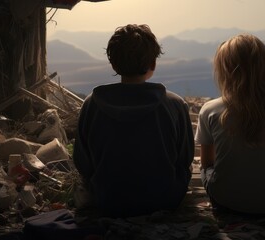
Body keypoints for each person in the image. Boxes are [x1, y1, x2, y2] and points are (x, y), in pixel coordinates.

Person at [73, 24, 194, 218]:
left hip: (107, 200)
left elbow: (82, 162)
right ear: (153, 63)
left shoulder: (92, 104)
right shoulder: (174, 104)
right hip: (165, 200)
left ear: (113, 64)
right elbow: (185, 159)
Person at [195, 34, 265, 216]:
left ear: (226, 71)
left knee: (204, 170)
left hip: (226, 201)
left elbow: (207, 162)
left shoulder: (210, 110)